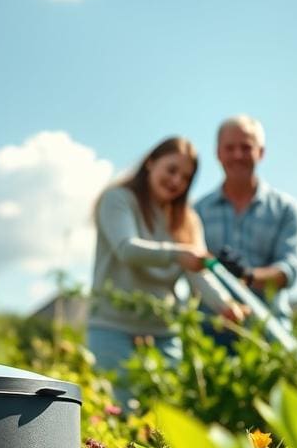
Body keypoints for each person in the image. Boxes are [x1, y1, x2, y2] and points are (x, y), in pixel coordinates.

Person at [88, 136, 244, 408]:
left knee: (165, 418)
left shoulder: (187, 219)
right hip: (113, 327)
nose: (176, 182)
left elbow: (199, 272)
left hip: (163, 333)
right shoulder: (117, 200)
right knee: (123, 412)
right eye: (171, 170)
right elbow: (127, 249)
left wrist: (225, 305)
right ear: (151, 163)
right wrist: (177, 253)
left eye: (185, 178)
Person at [195, 115, 297, 328]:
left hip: (269, 327)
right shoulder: (197, 212)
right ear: (218, 153)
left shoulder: (285, 209)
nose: (238, 155)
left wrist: (249, 275)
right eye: (230, 148)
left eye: (246, 147)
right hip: (210, 328)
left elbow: (288, 271)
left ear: (260, 152)